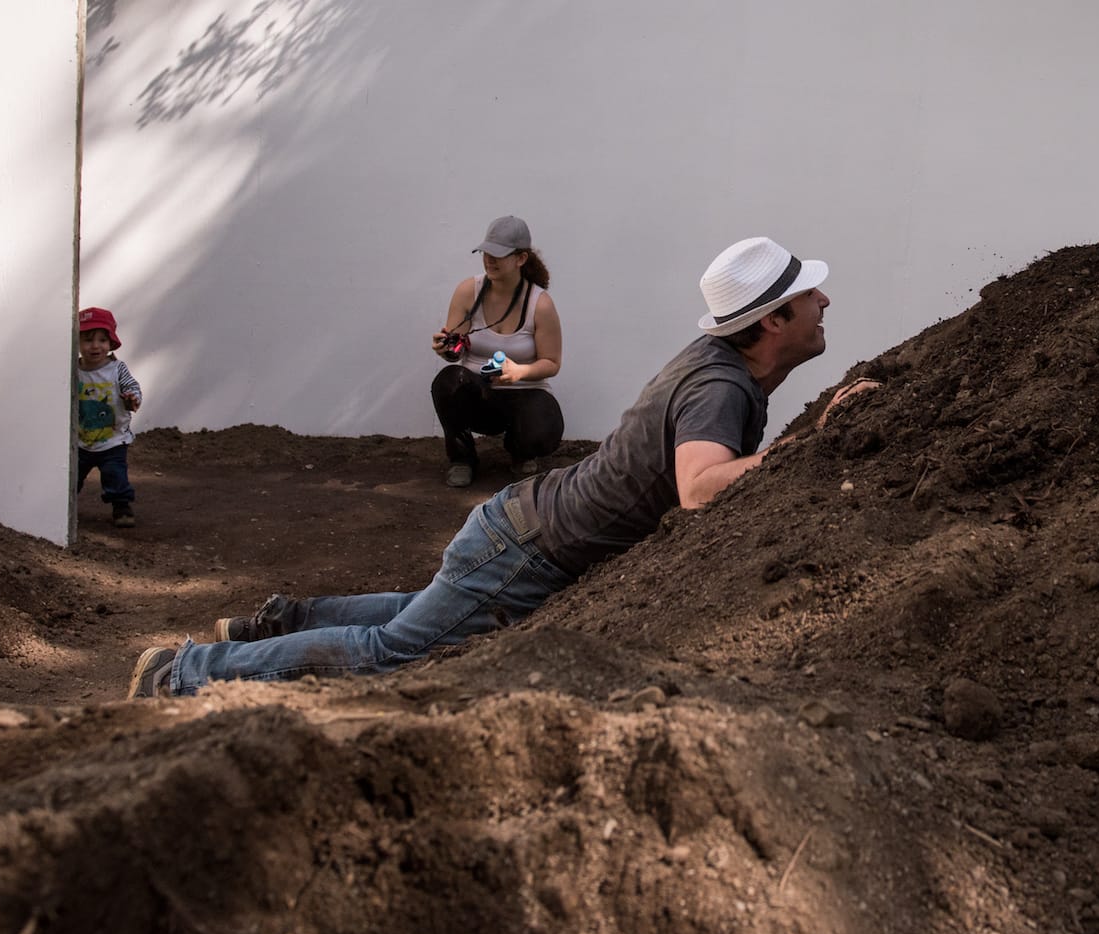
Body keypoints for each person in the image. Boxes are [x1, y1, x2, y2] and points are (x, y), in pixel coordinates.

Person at [128, 236, 877, 699]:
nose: (825, 300)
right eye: (811, 295)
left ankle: (280, 622)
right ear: (772, 320)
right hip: (529, 550)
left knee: (423, 611)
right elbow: (702, 487)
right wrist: (800, 451)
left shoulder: (723, 366)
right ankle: (185, 673)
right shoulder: (720, 385)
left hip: (520, 528)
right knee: (394, 655)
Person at [430, 215, 564, 488]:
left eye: (498, 255)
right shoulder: (469, 290)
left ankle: (521, 452)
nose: (489, 260)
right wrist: (446, 350)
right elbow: (457, 346)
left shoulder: (540, 303)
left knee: (544, 429)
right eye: (485, 253)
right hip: (480, 393)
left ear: (521, 259)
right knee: (447, 381)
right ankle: (461, 459)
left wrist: (519, 372)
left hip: (523, 392)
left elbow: (551, 362)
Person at [74, 306, 143, 528]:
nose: (95, 346)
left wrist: (132, 399)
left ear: (111, 343)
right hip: (80, 439)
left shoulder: (117, 369)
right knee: (71, 476)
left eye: (102, 340)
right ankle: (63, 505)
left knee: (115, 475)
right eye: (88, 340)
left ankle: (121, 506)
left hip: (113, 439)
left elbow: (132, 386)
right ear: (77, 343)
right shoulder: (73, 369)